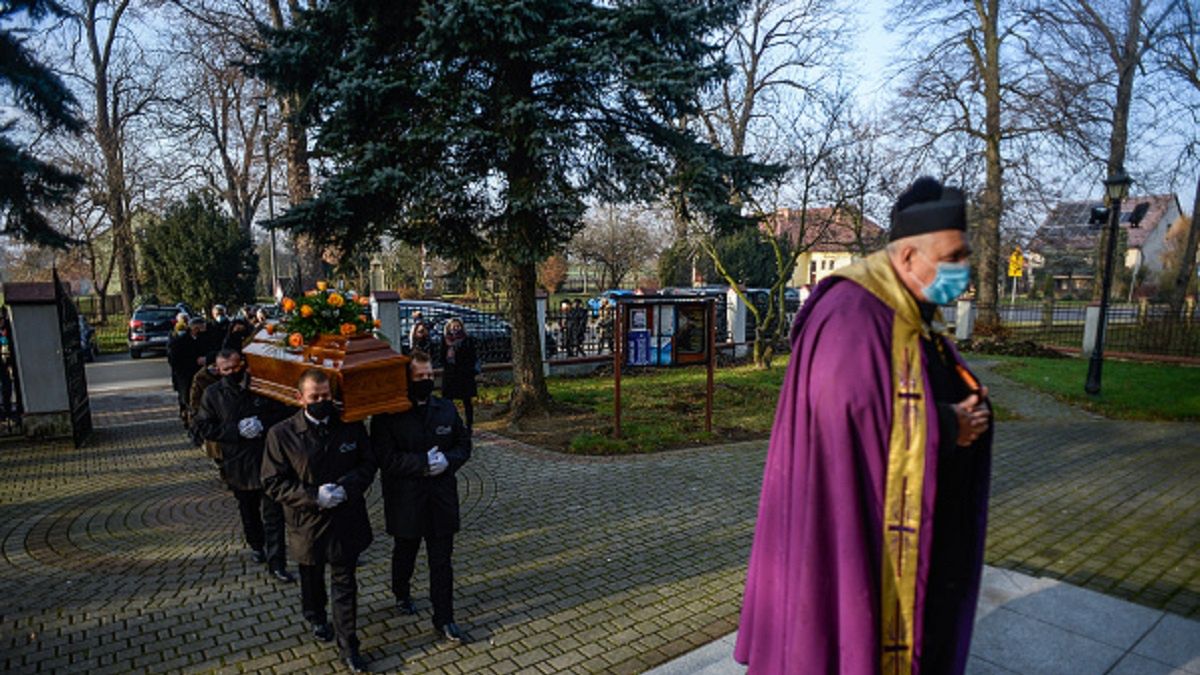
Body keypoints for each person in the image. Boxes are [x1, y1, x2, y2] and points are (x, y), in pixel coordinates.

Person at [734, 177, 993, 675]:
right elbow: (844, 414)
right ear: (910, 258)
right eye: (953, 256)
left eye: (964, 257)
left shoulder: (902, 306)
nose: (963, 270)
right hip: (855, 517)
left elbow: (907, 383)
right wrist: (944, 424)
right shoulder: (855, 313)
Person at [263, 369, 375, 673]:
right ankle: (314, 615)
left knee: (345, 583)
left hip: (345, 518)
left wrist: (347, 487)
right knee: (311, 579)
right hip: (307, 524)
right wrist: (314, 497)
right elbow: (273, 483)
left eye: (326, 396)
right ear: (300, 398)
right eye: (315, 397)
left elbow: (367, 464)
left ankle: (348, 645)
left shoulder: (350, 425)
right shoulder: (281, 434)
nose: (322, 402)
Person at [371, 350, 472, 645]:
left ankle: (445, 618)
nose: (426, 380)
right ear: (407, 379)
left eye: (430, 375)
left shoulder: (446, 409)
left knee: (442, 561)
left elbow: (463, 444)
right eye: (420, 377)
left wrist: (449, 460)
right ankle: (400, 591)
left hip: (441, 497)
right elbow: (385, 458)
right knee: (406, 551)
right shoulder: (389, 414)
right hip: (407, 498)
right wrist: (420, 463)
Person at [191, 348, 296, 583]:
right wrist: (234, 430)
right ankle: (256, 544)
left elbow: (284, 412)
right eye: (226, 370)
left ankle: (277, 562)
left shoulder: (260, 386)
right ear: (218, 370)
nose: (231, 373)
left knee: (274, 514)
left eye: (235, 368)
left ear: (244, 365)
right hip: (236, 462)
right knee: (248, 510)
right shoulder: (213, 394)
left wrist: (262, 423)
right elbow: (202, 427)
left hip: (267, 460)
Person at [168, 317, 210, 423]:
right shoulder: (179, 342)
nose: (204, 331)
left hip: (202, 375)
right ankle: (188, 418)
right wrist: (194, 362)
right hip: (185, 376)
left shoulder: (204, 339)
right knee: (187, 398)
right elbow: (174, 361)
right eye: (202, 328)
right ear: (195, 329)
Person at [438, 318, 477, 429]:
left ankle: (469, 424)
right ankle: (451, 421)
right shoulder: (445, 340)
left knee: (467, 401)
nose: (455, 329)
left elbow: (472, 356)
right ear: (449, 328)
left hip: (464, 375)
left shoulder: (467, 340)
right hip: (450, 374)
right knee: (448, 400)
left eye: (458, 326)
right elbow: (441, 356)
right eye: (453, 327)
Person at [187, 351, 222, 469]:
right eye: (213, 366)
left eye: (217, 366)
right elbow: (194, 401)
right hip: (210, 416)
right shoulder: (200, 378)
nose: (216, 369)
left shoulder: (227, 374)